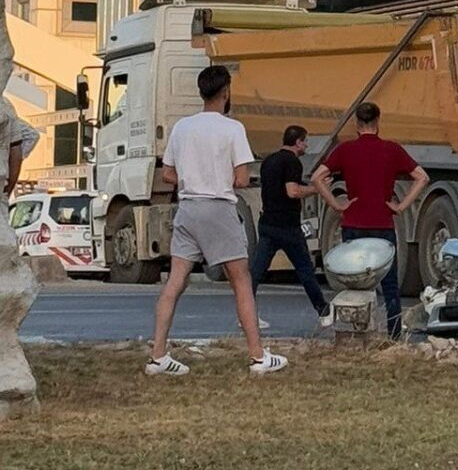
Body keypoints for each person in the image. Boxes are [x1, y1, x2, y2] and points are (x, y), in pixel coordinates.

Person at [146, 66, 287, 376]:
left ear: (201, 92)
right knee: (241, 280)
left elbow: (168, 173)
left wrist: (191, 175)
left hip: (188, 207)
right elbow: (241, 178)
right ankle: (257, 356)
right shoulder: (232, 129)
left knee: (175, 282)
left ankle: (158, 355)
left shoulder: (182, 128)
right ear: (226, 92)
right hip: (219, 209)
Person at [312, 102, 429, 339]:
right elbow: (422, 177)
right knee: (389, 286)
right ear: (378, 122)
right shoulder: (392, 150)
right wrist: (401, 206)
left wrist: (336, 204)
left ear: (356, 123)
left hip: (352, 224)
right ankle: (394, 336)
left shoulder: (345, 150)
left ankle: (354, 332)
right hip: (382, 225)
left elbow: (317, 177)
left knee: (354, 282)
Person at [250, 125, 331, 330]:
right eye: (305, 141)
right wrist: (317, 189)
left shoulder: (269, 161)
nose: (306, 145)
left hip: (267, 223)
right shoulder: (293, 162)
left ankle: (247, 313)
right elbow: (292, 191)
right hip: (288, 226)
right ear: (297, 142)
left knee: (257, 272)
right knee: (305, 269)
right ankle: (323, 311)